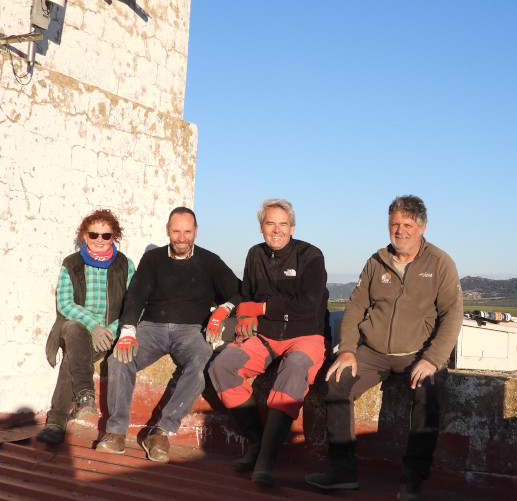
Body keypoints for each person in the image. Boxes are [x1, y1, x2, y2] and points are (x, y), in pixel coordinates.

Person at [305, 195, 463, 501]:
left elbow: (452, 315)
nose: (400, 231)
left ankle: (412, 480)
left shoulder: (440, 263)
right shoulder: (376, 261)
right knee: (337, 382)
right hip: (372, 352)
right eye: (395, 224)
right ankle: (343, 471)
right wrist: (348, 349)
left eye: (407, 225)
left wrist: (432, 359)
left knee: (426, 395)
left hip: (417, 353)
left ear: (422, 227)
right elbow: (354, 307)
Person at [95, 207, 242, 463]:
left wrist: (223, 310)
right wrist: (128, 330)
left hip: (191, 331)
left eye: (187, 231)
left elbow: (239, 291)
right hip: (152, 328)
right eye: (176, 231)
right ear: (167, 231)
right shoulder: (152, 259)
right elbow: (136, 295)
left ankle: (161, 432)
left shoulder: (210, 261)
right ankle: (115, 432)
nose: (182, 237)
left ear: (196, 231)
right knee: (119, 358)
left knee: (201, 364)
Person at [207, 198, 329, 487]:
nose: (277, 230)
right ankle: (256, 443)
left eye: (283, 224)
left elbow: (308, 305)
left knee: (294, 370)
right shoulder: (254, 254)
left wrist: (259, 310)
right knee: (222, 366)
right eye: (270, 223)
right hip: (266, 336)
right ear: (261, 227)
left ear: (292, 227)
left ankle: (266, 460)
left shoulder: (311, 255)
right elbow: (248, 294)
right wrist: (243, 313)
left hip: (306, 335)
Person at [38, 209, 135, 444]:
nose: (100, 240)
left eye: (106, 235)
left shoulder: (125, 264)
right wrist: (94, 326)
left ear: (114, 237)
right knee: (72, 329)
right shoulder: (71, 263)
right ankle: (83, 392)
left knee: (73, 358)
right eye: (94, 235)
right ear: (84, 235)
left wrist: (112, 329)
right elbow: (65, 303)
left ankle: (58, 419)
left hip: (109, 332)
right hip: (80, 327)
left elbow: (135, 303)